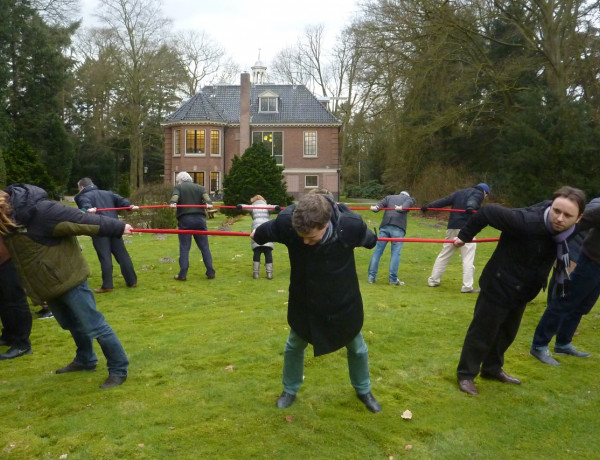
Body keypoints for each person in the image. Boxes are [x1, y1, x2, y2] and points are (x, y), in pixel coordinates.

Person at [252, 193, 382, 413]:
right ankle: (289, 390)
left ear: (325, 222)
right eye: (301, 236)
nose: (304, 241)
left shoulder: (349, 226)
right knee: (294, 346)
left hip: (343, 301)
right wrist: (256, 232)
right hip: (305, 301)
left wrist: (359, 226)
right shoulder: (287, 223)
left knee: (358, 349)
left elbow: (370, 241)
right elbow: (261, 233)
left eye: (311, 237)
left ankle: (363, 390)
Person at [454, 186, 585, 395]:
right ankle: (466, 375)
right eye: (556, 211)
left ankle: (492, 368)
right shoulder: (525, 222)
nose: (559, 218)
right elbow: (487, 212)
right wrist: (464, 236)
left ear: (578, 218)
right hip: (499, 283)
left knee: (507, 333)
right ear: (551, 206)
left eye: (567, 215)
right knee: (483, 332)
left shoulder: (568, 231)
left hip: (524, 290)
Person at [0, 184, 130, 389]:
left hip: (69, 278)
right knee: (72, 324)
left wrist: (118, 227)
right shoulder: (8, 220)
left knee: (95, 325)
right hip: (48, 284)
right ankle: (85, 359)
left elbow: (82, 220)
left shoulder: (42, 211)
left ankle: (119, 368)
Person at [530, 197, 600, 365]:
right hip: (591, 261)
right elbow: (580, 223)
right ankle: (539, 345)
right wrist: (558, 242)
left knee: (583, 306)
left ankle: (563, 343)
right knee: (565, 301)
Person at [422, 183, 490, 293]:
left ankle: (433, 280)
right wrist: (471, 207)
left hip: (452, 227)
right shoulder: (478, 193)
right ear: (485, 192)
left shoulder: (459, 193)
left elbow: (444, 201)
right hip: (467, 229)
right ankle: (467, 287)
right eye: (485, 195)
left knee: (444, 254)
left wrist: (428, 206)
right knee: (468, 257)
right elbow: (473, 199)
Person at [74, 177, 138, 293]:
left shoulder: (84, 196)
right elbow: (121, 200)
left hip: (100, 229)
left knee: (105, 257)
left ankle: (107, 285)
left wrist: (88, 209)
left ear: (82, 187)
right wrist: (130, 206)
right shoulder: (107, 193)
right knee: (122, 255)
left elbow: (85, 205)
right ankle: (132, 281)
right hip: (115, 227)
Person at [169, 172, 215, 281]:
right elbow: (207, 198)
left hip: (185, 220)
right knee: (204, 247)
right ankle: (210, 272)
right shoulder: (200, 187)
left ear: (180, 180)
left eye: (177, 181)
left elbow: (175, 196)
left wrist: (172, 203)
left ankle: (183, 274)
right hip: (200, 220)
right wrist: (209, 203)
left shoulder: (179, 187)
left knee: (185, 247)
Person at [367, 191, 416, 285]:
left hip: (385, 225)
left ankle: (371, 277)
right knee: (395, 253)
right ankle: (393, 279)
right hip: (398, 227)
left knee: (378, 251)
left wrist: (376, 207)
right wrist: (401, 208)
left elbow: (378, 207)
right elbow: (407, 205)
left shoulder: (389, 197)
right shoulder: (408, 199)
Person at [0, 237, 33, 360]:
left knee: (16, 301)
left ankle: (22, 344)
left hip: (8, 258)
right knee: (4, 301)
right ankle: (9, 335)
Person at [237, 195, 279, 279]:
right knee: (268, 251)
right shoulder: (267, 206)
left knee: (257, 250)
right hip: (267, 227)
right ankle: (269, 274)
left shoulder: (253, 207)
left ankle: (256, 274)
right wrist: (277, 207)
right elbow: (274, 207)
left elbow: (244, 206)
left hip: (256, 229)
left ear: (253, 201)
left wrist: (240, 206)